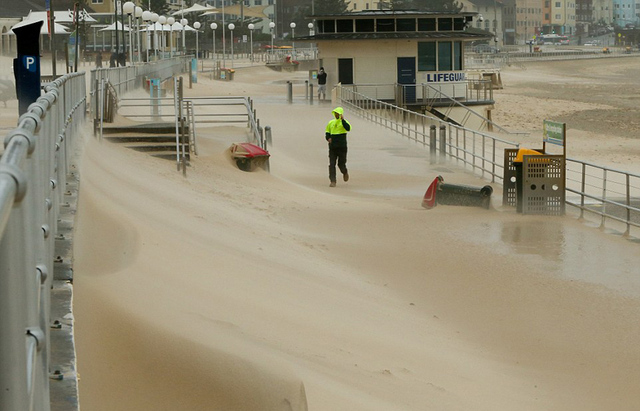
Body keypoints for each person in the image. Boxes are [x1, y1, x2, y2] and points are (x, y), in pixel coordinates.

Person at [325, 107, 352, 187]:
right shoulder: (331, 122)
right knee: (332, 164)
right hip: (332, 147)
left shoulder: (344, 122)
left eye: (338, 114)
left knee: (341, 164)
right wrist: (328, 138)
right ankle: (333, 180)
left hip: (342, 147)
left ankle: (345, 172)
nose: (336, 115)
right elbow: (327, 132)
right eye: (335, 113)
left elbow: (348, 128)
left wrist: (343, 120)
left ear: (341, 114)